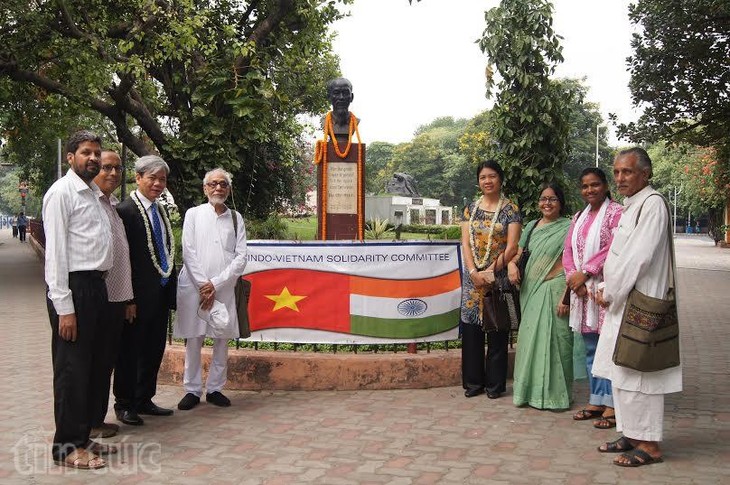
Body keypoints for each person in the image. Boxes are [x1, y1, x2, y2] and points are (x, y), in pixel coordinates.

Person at [594, 147, 682, 467]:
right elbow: (619, 257)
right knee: (623, 371)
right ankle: (631, 433)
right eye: (616, 172)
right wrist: (606, 288)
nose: (620, 178)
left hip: (639, 299)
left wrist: (610, 292)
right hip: (623, 299)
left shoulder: (653, 204)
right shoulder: (632, 206)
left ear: (645, 174)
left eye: (627, 172)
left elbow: (637, 259)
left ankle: (650, 445)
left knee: (642, 375)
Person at [42, 130, 113, 469]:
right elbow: (55, 255)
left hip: (96, 287)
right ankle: (66, 447)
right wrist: (64, 308)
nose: (94, 159)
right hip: (74, 289)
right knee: (72, 370)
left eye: (96, 153)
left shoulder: (94, 194)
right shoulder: (62, 193)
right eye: (86, 152)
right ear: (70, 157)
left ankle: (82, 437)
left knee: (93, 367)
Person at [174, 168, 247, 410]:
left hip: (223, 289)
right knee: (194, 339)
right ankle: (192, 390)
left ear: (229, 189)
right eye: (213, 184)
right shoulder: (193, 214)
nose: (218, 188)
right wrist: (203, 285)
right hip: (195, 287)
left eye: (223, 184)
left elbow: (240, 258)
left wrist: (214, 284)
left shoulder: (236, 218)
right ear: (205, 189)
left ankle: (215, 388)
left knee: (221, 339)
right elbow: (188, 251)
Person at [114, 155, 177, 425]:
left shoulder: (160, 210)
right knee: (130, 350)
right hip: (136, 296)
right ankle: (125, 403)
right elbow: (122, 257)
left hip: (160, 293)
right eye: (152, 178)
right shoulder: (125, 211)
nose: (157, 183)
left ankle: (144, 398)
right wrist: (127, 297)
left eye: (162, 179)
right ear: (138, 178)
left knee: (154, 347)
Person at [563, 168, 623, 427]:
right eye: (585, 186)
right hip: (583, 294)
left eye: (595, 185)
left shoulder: (616, 213)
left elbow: (615, 247)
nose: (590, 190)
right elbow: (568, 250)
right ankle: (596, 399)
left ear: (605, 185)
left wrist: (586, 272)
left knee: (608, 348)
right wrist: (573, 278)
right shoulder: (579, 217)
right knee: (590, 348)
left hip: (604, 290)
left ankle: (612, 405)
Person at [460, 160, 521, 399]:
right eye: (483, 177)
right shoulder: (470, 208)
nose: (488, 181)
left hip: (498, 278)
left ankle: (495, 386)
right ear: (478, 181)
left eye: (492, 176)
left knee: (497, 329)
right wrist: (474, 272)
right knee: (472, 332)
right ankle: (473, 384)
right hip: (472, 280)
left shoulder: (510, 209)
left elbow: (512, 245)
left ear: (500, 179)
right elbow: (465, 242)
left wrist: (491, 271)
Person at [509, 183, 573, 410]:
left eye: (553, 199)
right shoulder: (531, 226)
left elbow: (574, 263)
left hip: (556, 288)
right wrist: (511, 266)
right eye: (543, 198)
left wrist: (566, 296)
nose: (547, 203)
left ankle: (556, 396)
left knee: (557, 343)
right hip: (531, 290)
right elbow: (519, 254)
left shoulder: (569, 227)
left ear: (561, 202)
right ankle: (528, 393)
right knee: (529, 343)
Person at [90, 150, 136, 439]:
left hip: (116, 299)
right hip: (96, 297)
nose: (112, 173)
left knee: (106, 363)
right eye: (106, 167)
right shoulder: (90, 203)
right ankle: (88, 423)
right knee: (93, 364)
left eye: (117, 168)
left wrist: (128, 298)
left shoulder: (113, 206)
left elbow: (122, 258)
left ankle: (96, 418)